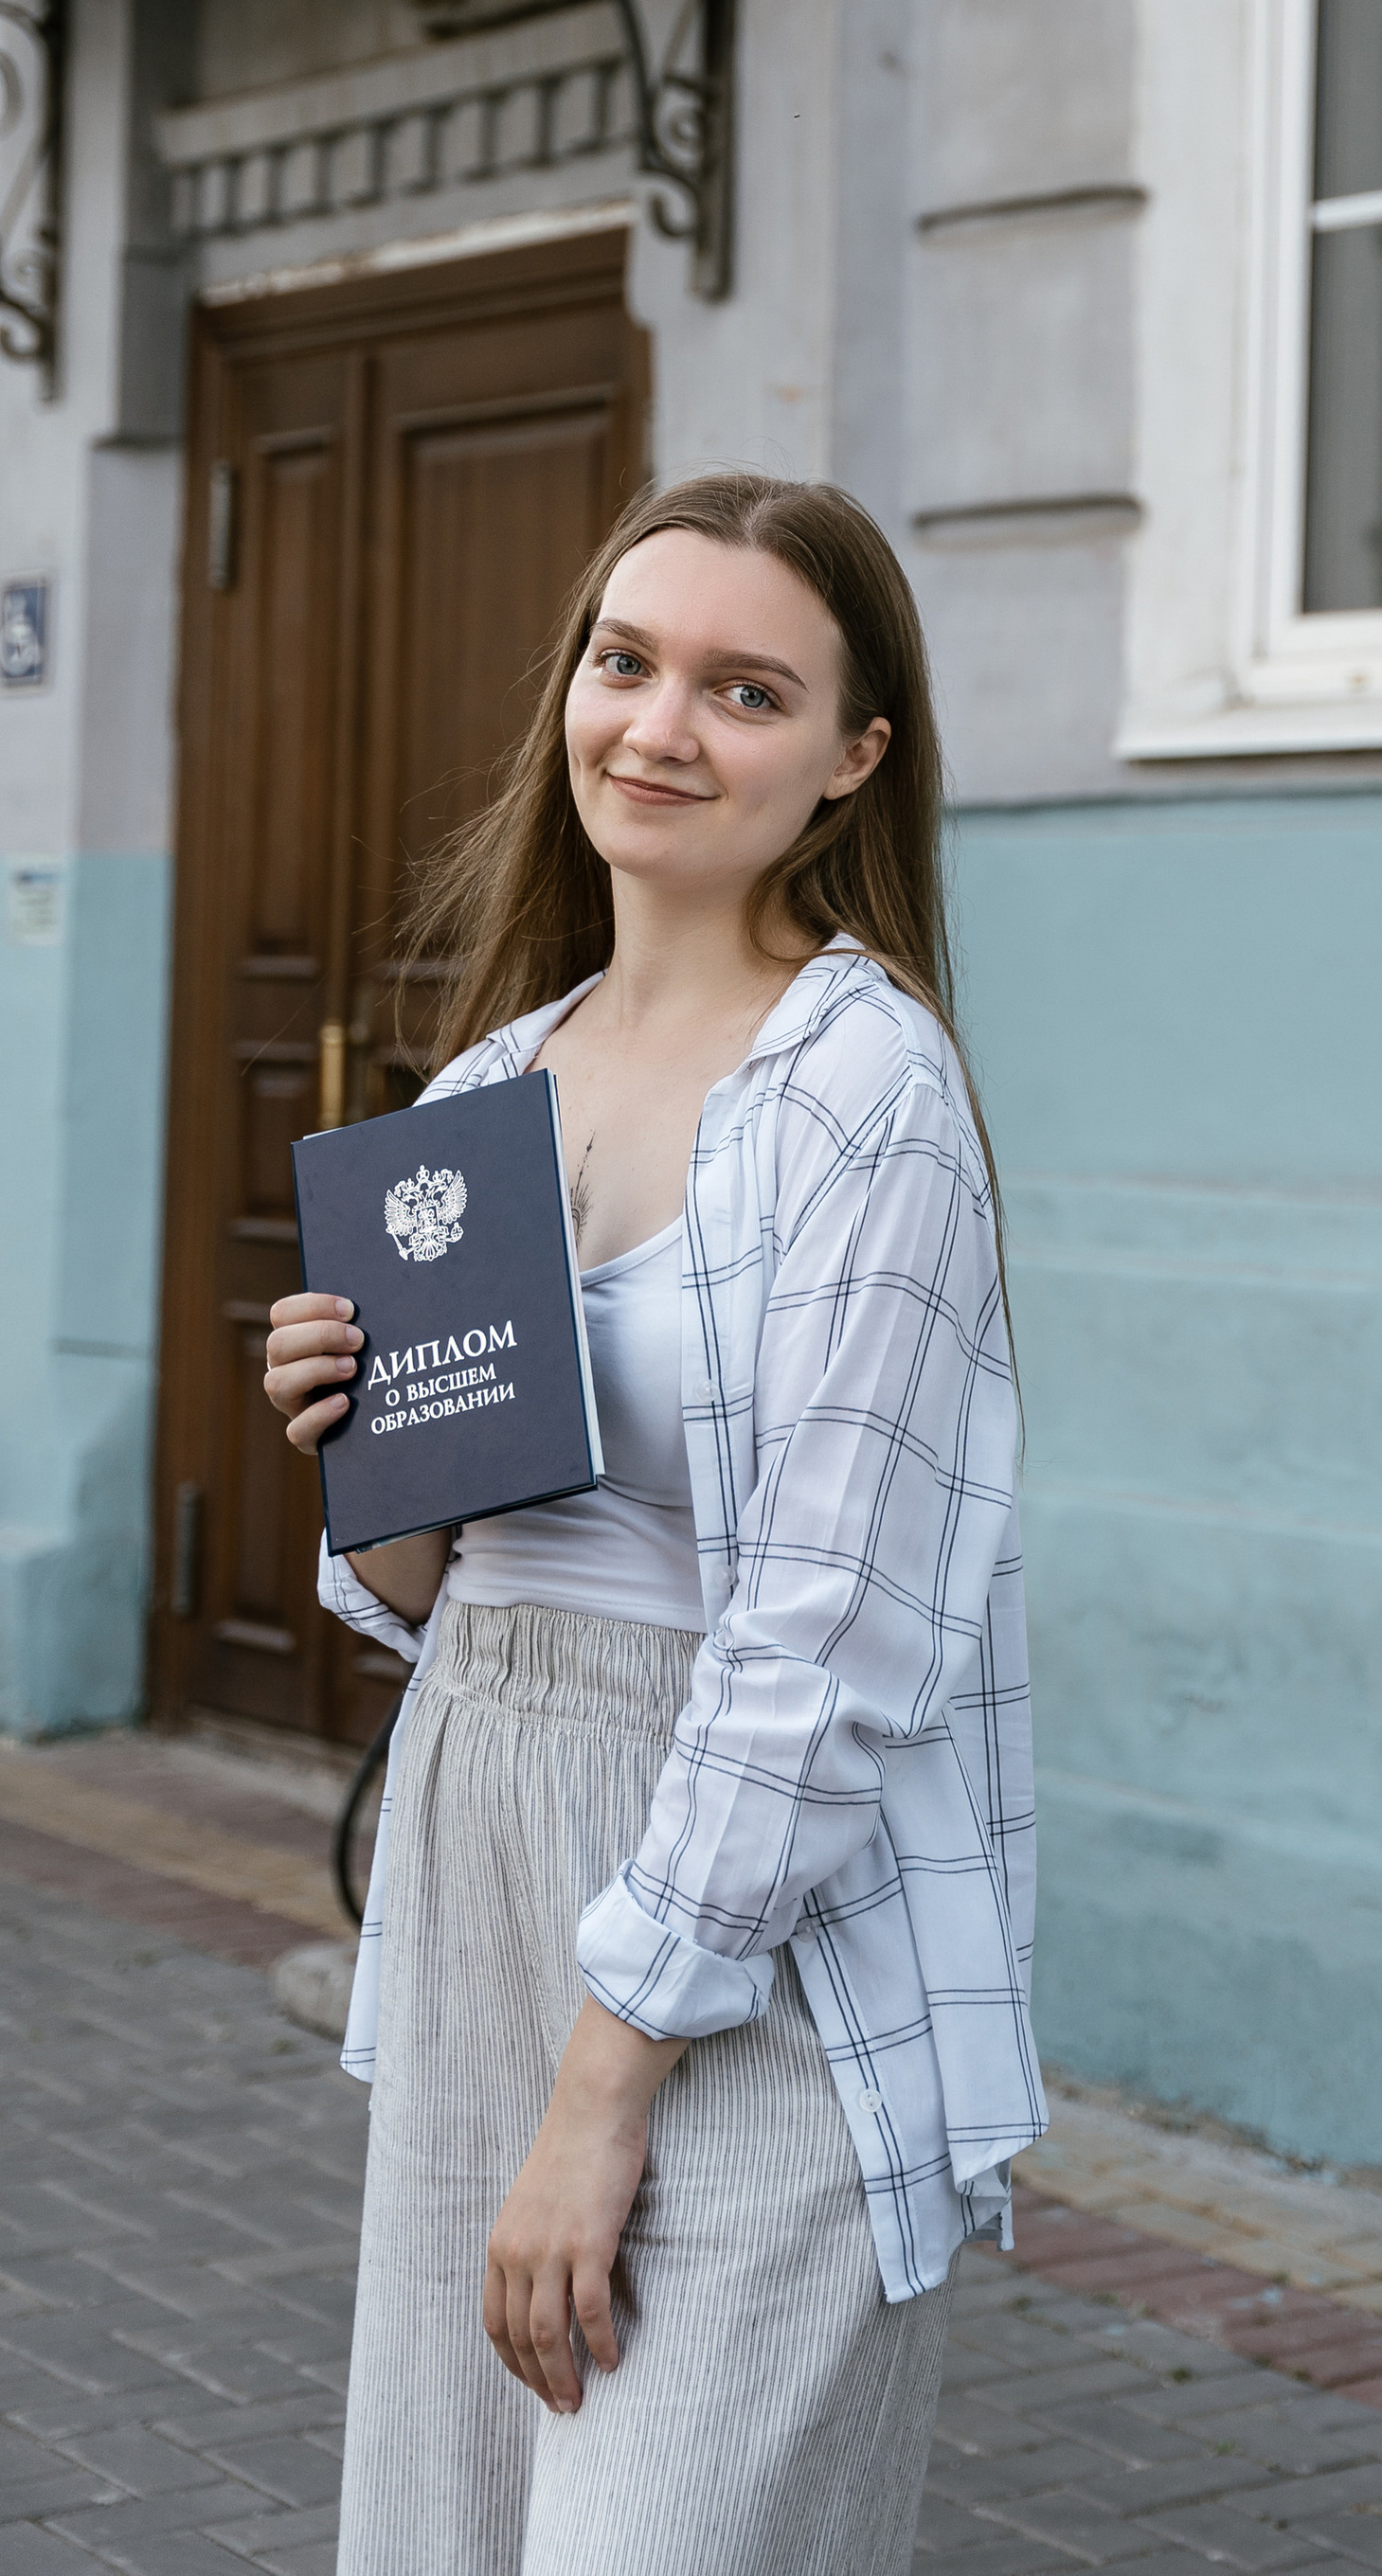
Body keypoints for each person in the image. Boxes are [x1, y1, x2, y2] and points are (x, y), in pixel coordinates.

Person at [263, 473, 1041, 2576]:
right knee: (452, 2532)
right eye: (626, 662)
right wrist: (356, 1443)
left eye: (743, 687)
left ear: (849, 761)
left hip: (752, 1932)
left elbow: (827, 1646)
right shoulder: (481, 1097)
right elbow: (435, 1600)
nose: (659, 726)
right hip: (490, 1852)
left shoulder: (855, 1092)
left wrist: (601, 2093)